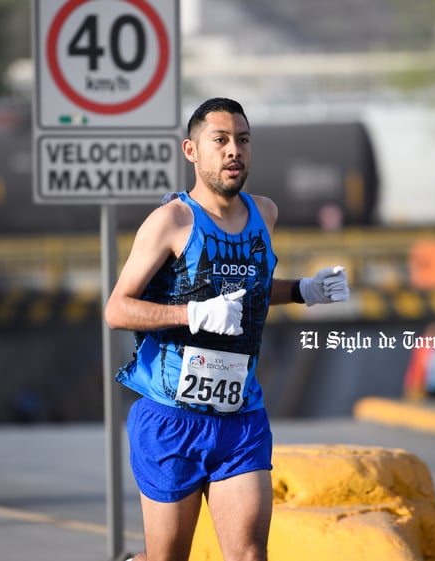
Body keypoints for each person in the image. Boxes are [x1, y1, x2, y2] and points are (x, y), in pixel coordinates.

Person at [104, 97, 350, 561]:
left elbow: (252, 291)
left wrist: (303, 290)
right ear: (191, 151)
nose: (233, 150)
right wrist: (192, 315)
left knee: (250, 555)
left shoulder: (265, 214)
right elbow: (117, 310)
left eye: (242, 140)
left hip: (240, 417)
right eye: (220, 140)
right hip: (170, 418)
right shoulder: (172, 221)